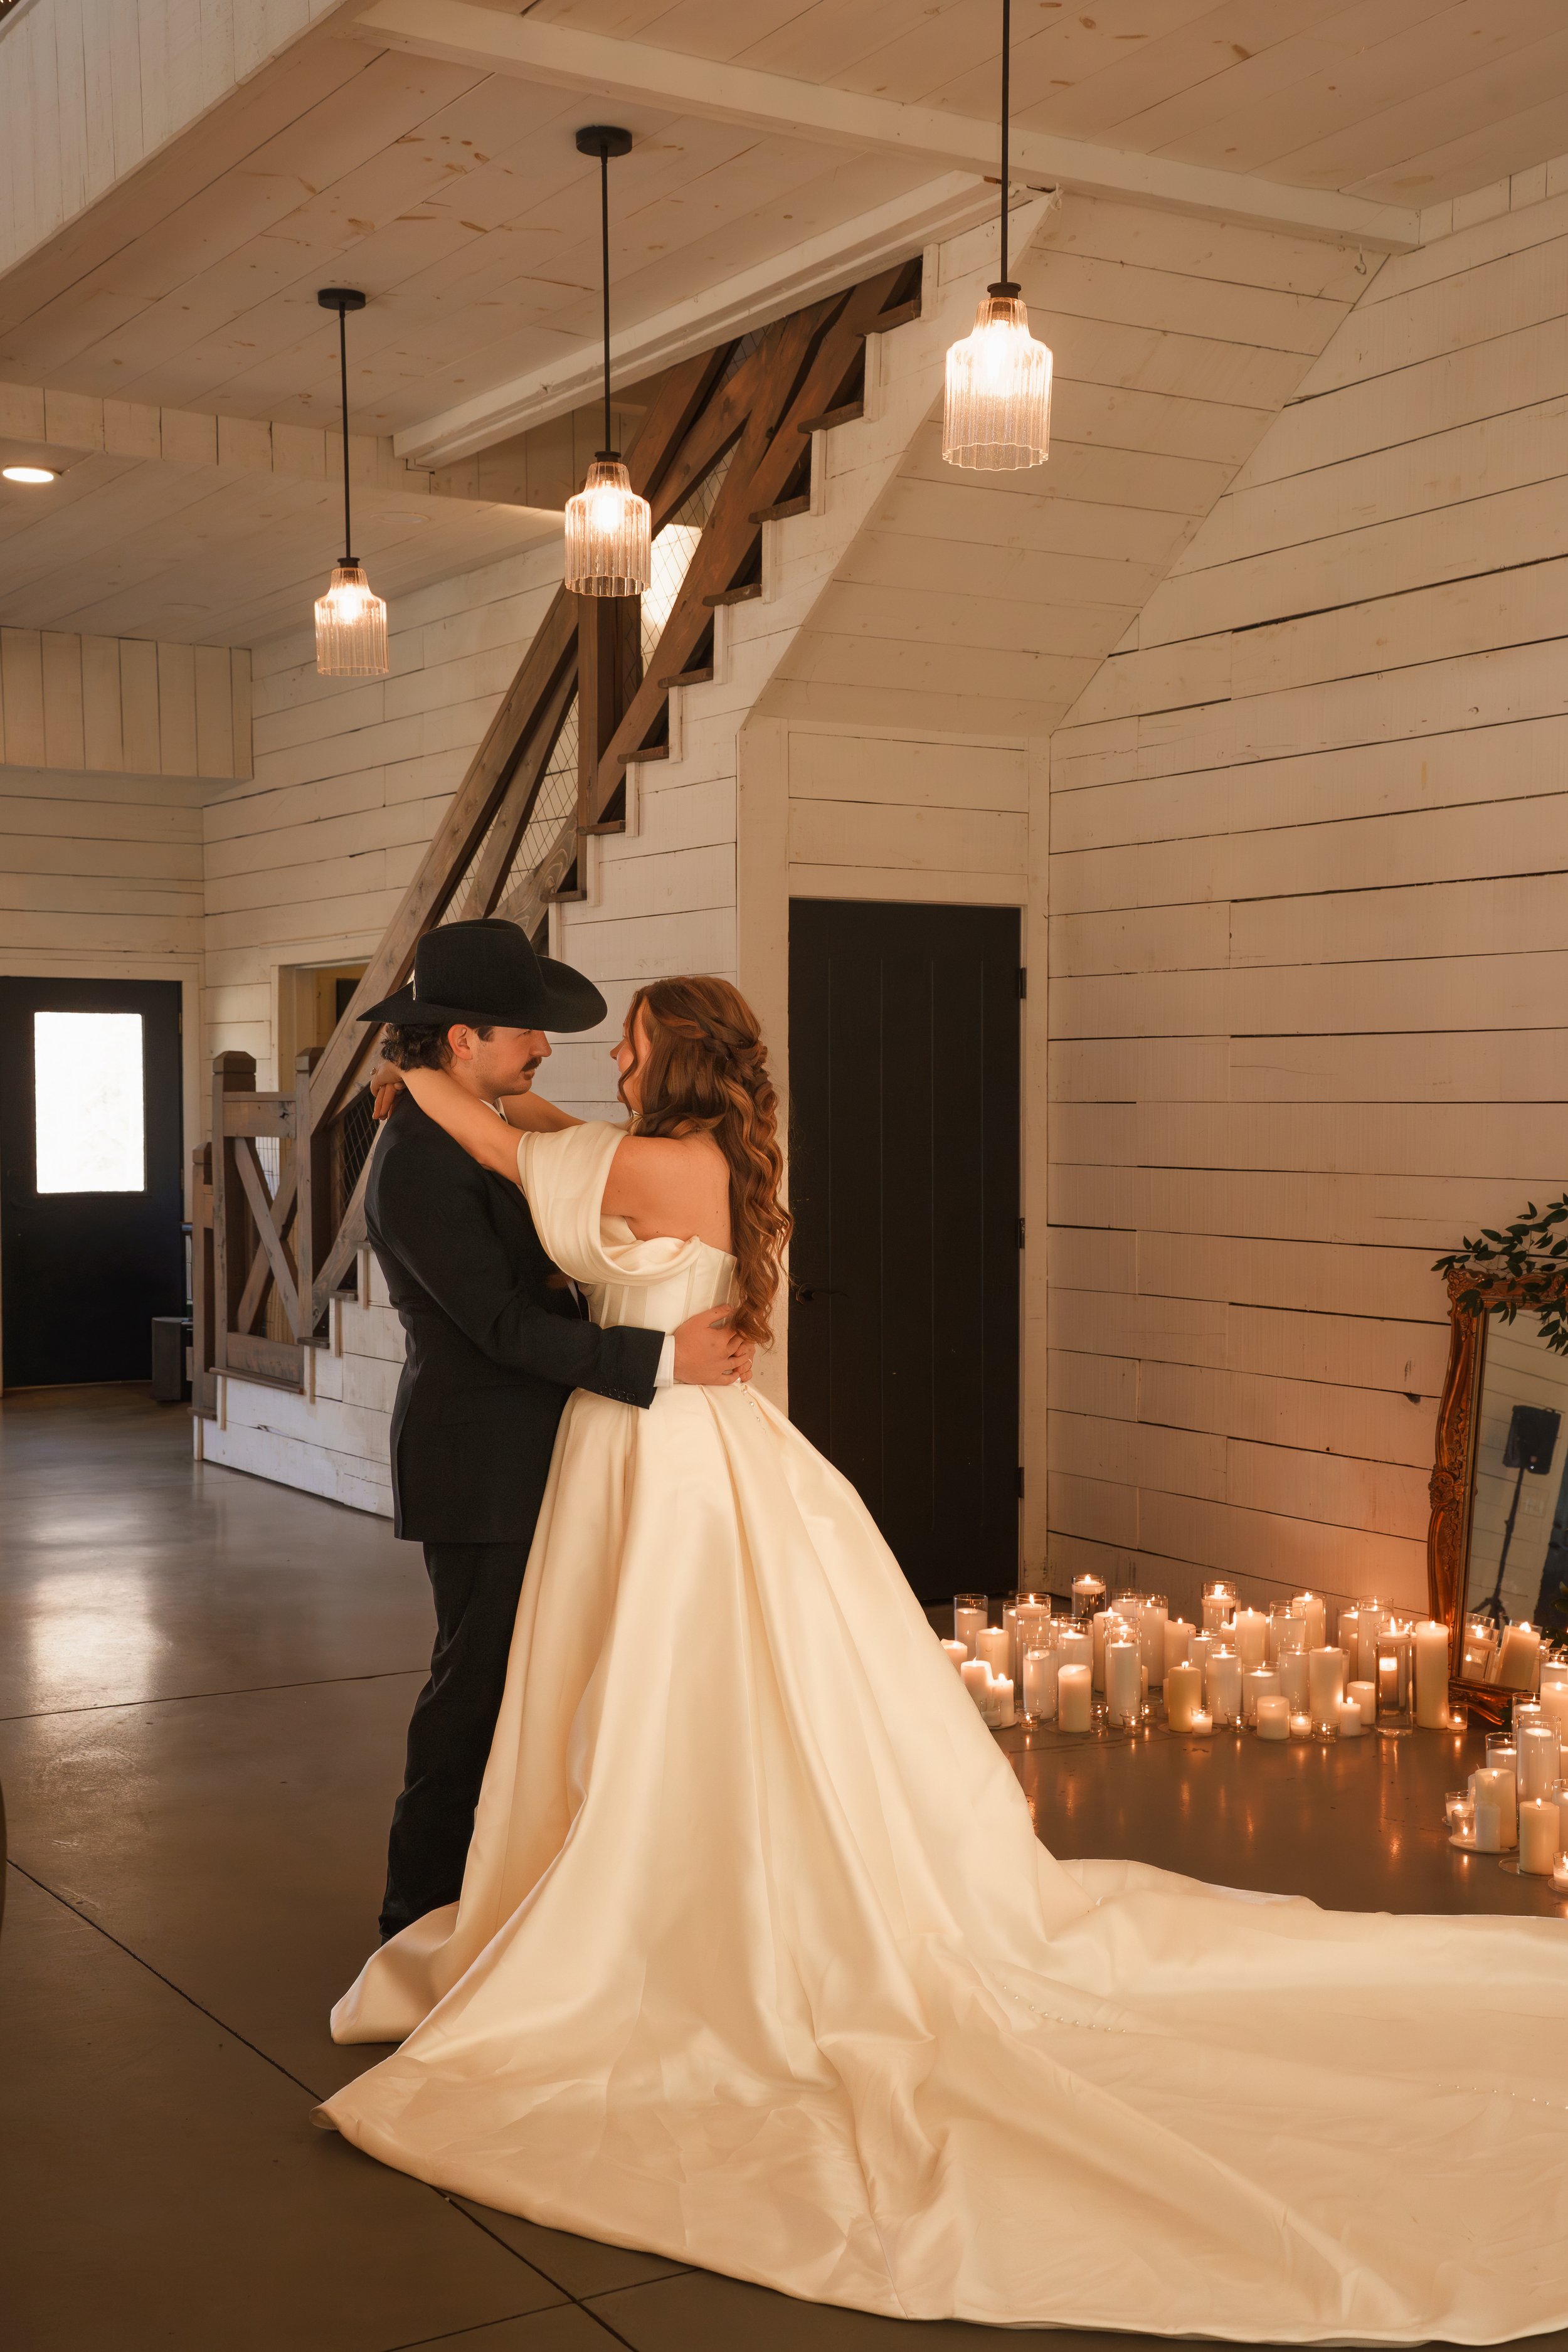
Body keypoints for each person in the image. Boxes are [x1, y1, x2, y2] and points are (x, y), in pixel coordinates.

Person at [320, 972, 1568, 2341]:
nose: (596, 1061)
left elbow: (524, 1152)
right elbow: (555, 1142)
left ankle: (661, 1900)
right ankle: (620, 1877)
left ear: (670, 1064)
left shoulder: (653, 1165)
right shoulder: (681, 1153)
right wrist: (441, 1080)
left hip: (664, 1454)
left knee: (671, 1683)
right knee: (650, 1686)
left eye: (623, 1045)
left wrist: (414, 1078)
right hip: (651, 1447)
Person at [354, 921, 750, 1944]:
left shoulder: (476, 1122)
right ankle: (415, 1915)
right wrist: (660, 1360)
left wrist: (422, 1077)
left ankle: (523, 1897)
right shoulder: (416, 1162)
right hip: (482, 1464)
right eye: (524, 1030)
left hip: (563, 1450)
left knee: (548, 1691)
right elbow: (500, 1325)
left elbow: (556, 1157)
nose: (545, 1046)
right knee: (475, 1691)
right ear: (463, 1040)